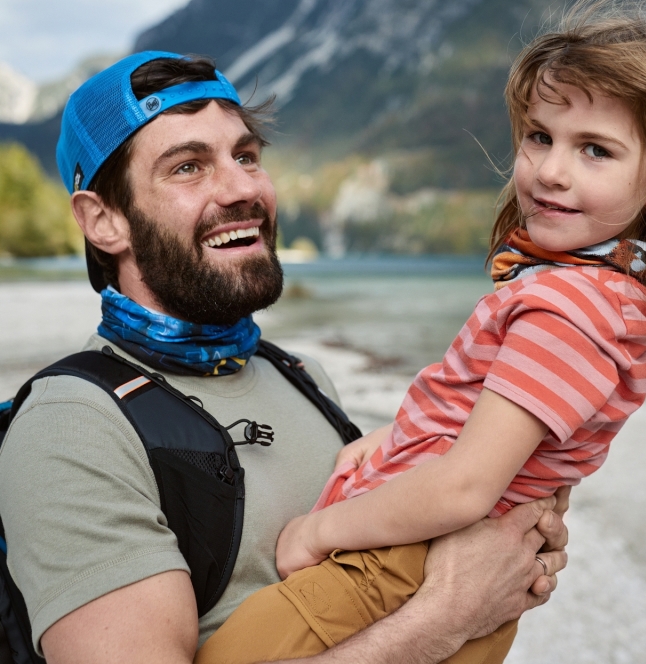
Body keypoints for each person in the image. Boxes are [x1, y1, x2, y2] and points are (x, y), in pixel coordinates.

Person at [194, 0, 646, 664]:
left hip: (397, 566)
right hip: (420, 560)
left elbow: (464, 487)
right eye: (540, 136)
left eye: (595, 149)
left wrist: (321, 530)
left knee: (226, 657)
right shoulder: (600, 292)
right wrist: (398, 437)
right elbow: (493, 416)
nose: (550, 171)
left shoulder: (570, 311)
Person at [0, 51, 568, 664]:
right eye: (188, 167)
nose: (244, 188)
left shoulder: (298, 375)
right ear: (104, 220)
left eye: (246, 156)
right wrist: (449, 616)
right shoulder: (72, 427)